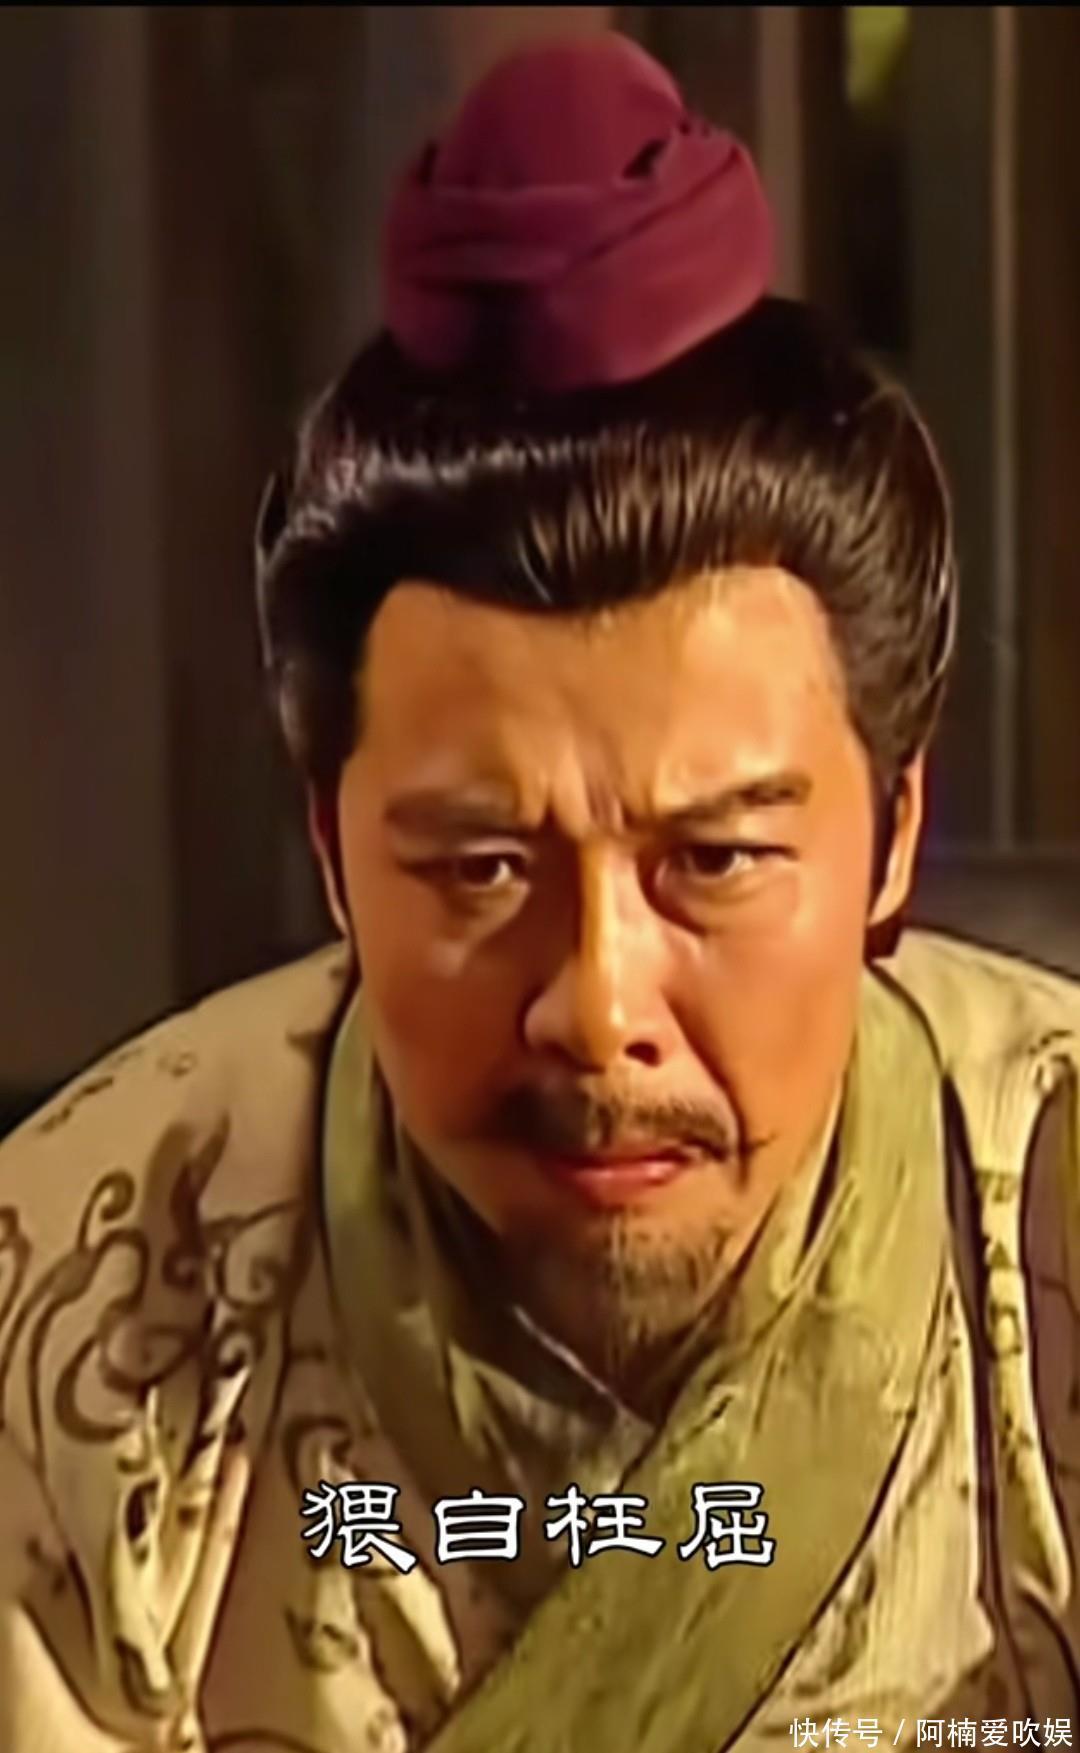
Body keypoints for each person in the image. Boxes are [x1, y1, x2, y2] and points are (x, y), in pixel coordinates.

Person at [2, 31, 1080, 1753]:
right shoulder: (74, 1297)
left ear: (892, 836)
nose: (598, 1001)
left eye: (715, 859)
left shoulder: (1054, 1238)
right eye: (479, 866)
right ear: (331, 846)